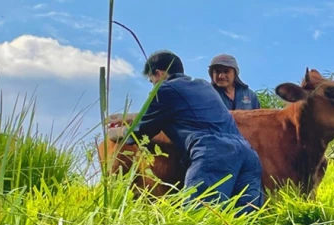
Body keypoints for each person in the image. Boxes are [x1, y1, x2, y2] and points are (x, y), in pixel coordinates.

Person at [106, 50, 263, 215]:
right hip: (247, 154)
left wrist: (116, 133)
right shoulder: (203, 86)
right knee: (247, 222)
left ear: (158, 73)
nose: (154, 85)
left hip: (213, 154)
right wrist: (128, 116)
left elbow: (142, 131)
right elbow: (180, 109)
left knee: (201, 219)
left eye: (152, 81)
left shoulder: (165, 89)